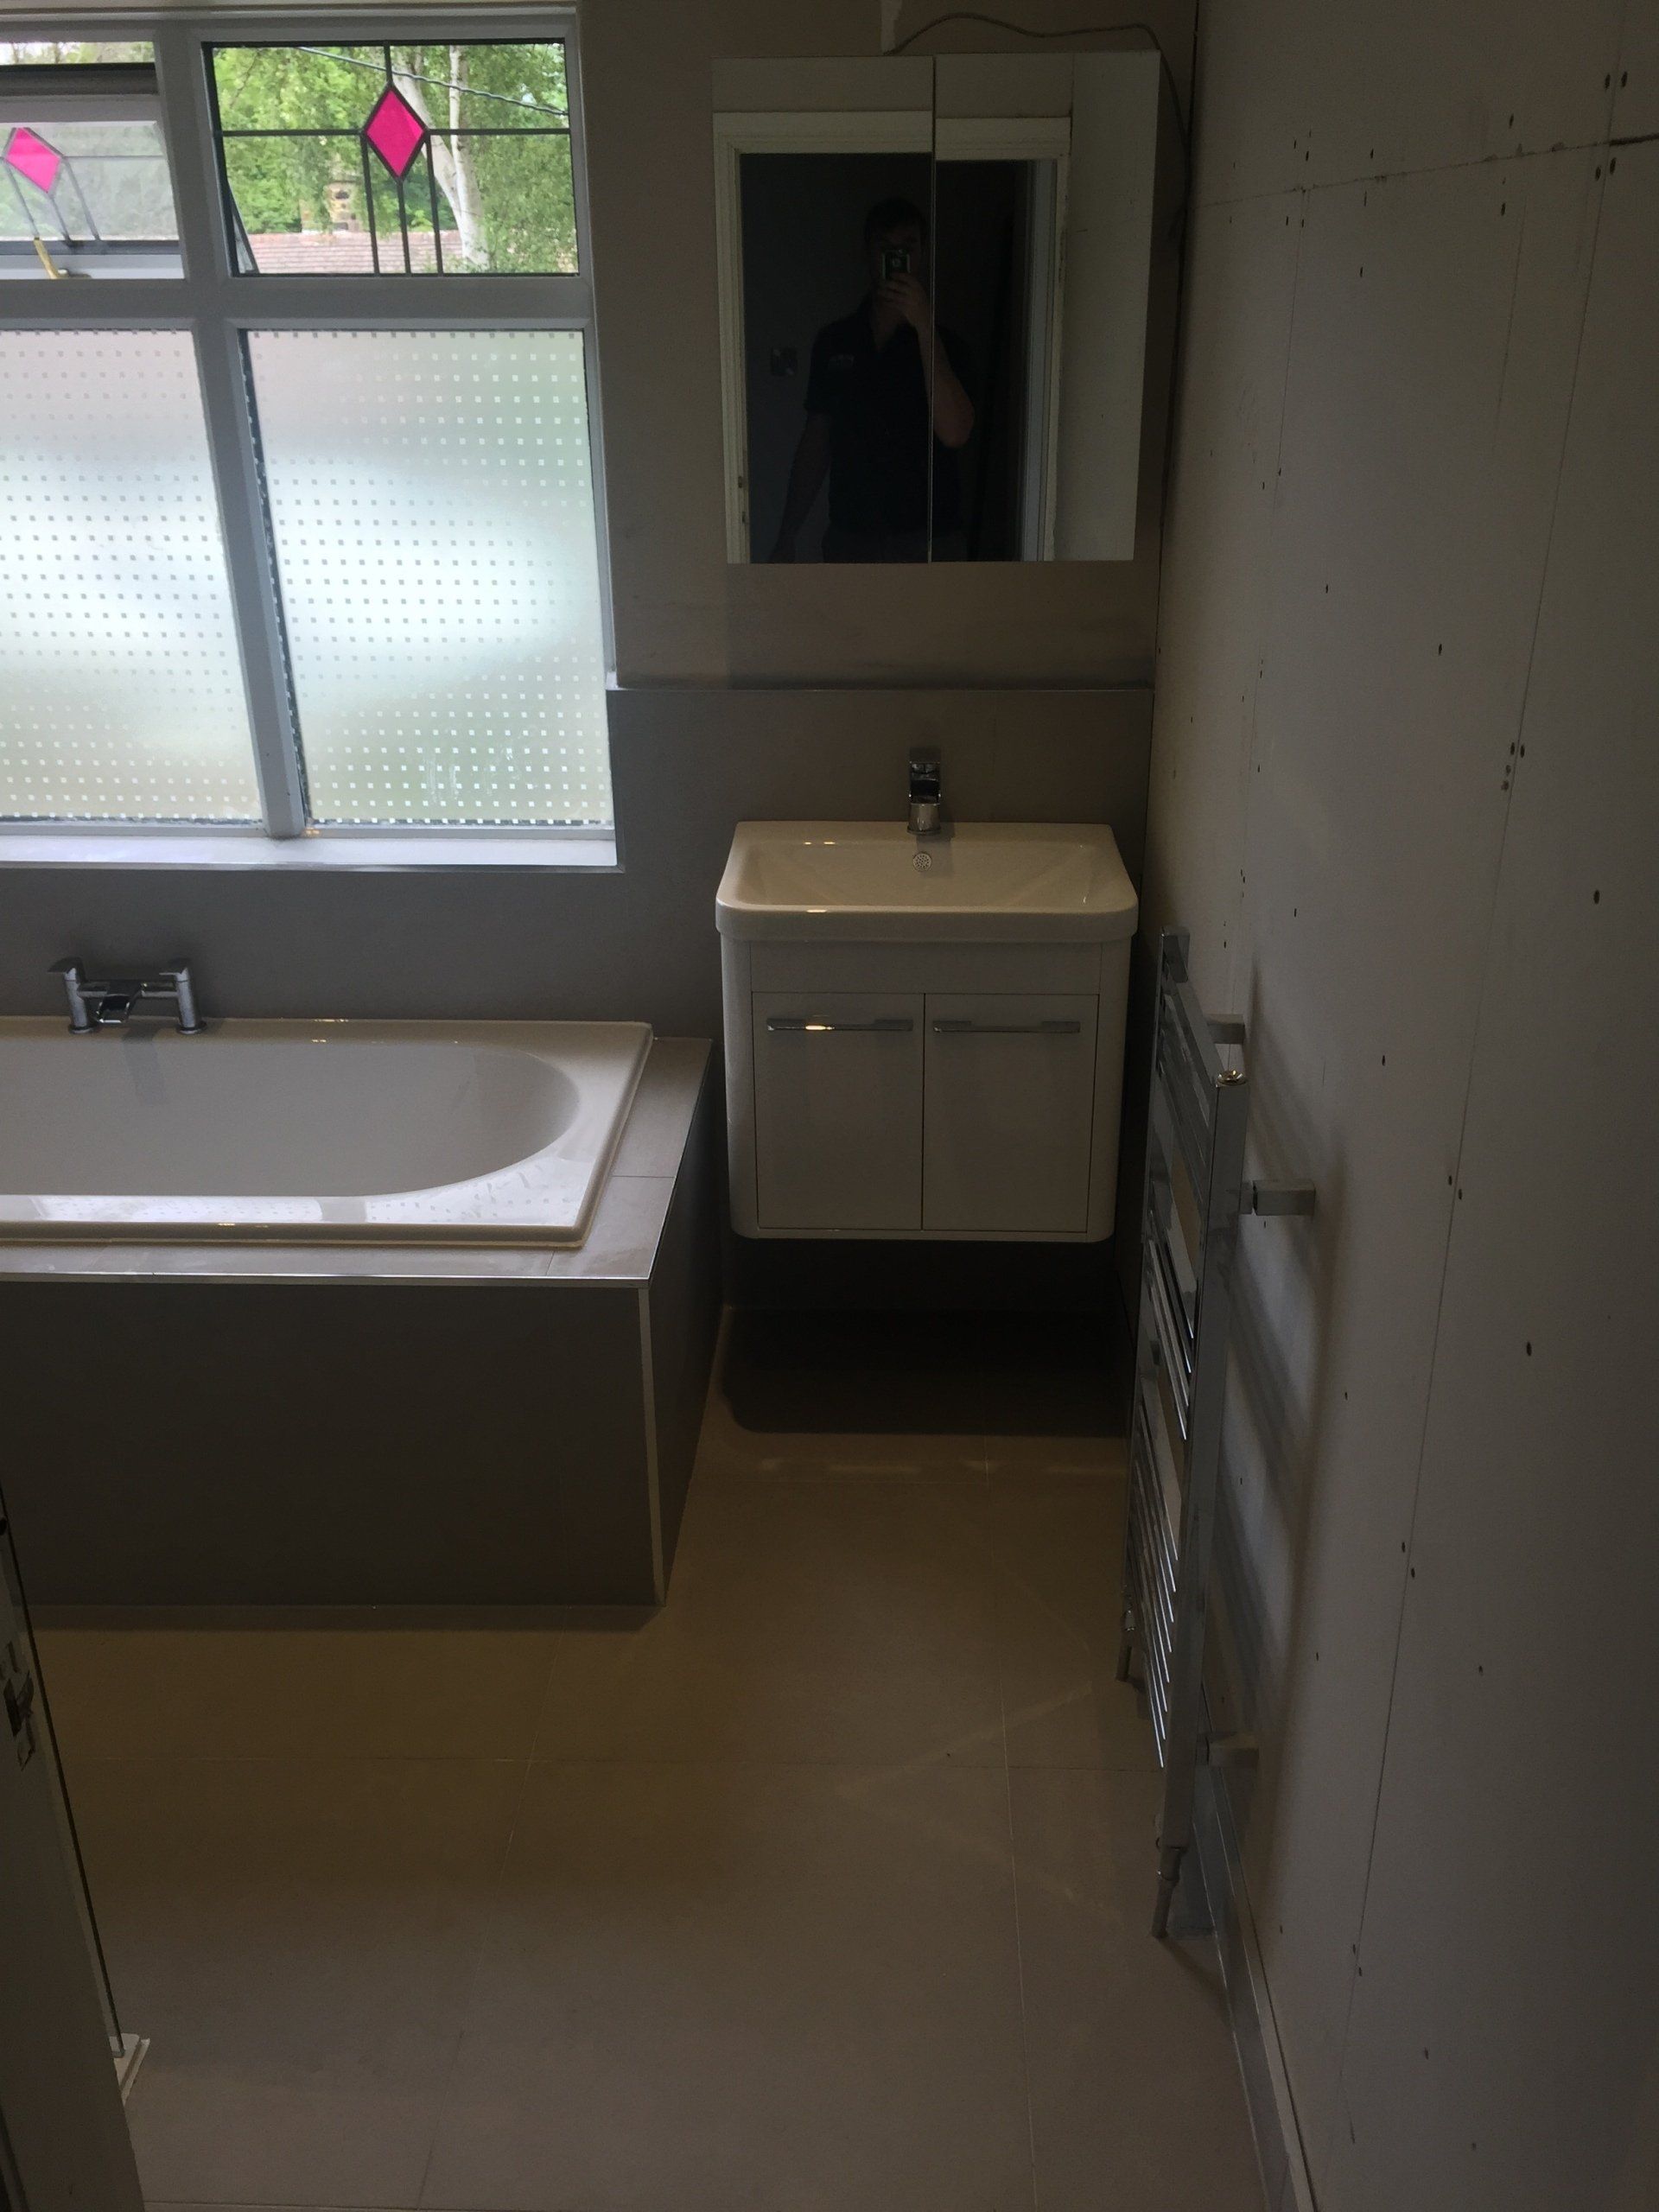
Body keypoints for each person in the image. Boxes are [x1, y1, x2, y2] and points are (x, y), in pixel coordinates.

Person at [768, 197, 975, 563]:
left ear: (922, 255)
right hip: (853, 536)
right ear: (869, 254)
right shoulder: (836, 342)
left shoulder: (947, 345)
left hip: (930, 539)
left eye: (907, 248)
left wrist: (924, 326)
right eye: (885, 248)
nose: (897, 259)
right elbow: (816, 442)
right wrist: (788, 532)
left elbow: (956, 431)